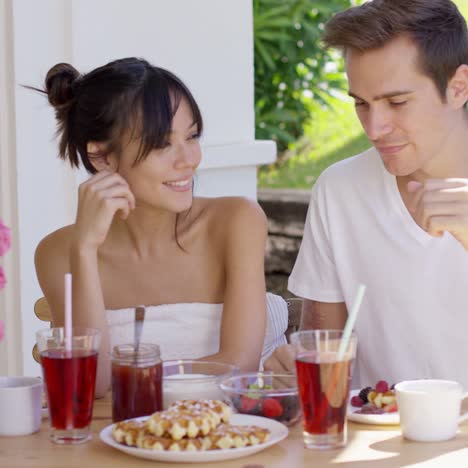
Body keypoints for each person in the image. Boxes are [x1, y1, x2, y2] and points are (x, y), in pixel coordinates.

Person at [34, 58, 287, 397]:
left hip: (236, 433)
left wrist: (133, 378)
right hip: (122, 439)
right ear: (102, 157)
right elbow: (92, 385)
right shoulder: (58, 253)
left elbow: (237, 367)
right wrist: (85, 249)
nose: (188, 160)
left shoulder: (236, 221)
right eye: (161, 144)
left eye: (192, 135)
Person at [265, 0, 468, 388]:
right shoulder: (340, 190)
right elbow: (324, 360)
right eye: (361, 103)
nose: (374, 128)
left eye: (396, 102)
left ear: (458, 87)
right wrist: (294, 372)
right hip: (376, 437)